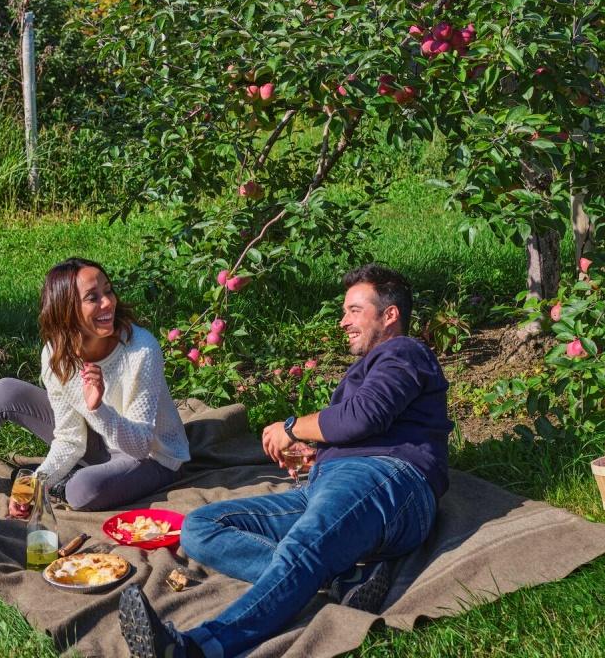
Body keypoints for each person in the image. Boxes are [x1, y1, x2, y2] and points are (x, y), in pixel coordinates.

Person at [119, 264, 451, 658]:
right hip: (336, 484)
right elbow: (364, 422)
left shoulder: (404, 352)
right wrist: (321, 453)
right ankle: (345, 576)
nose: (343, 322)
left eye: (354, 310)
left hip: (387, 480)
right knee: (201, 527)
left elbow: (363, 416)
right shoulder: (377, 366)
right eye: (344, 312)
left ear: (391, 314)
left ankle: (198, 648)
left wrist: (293, 428)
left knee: (303, 548)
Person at [0, 257, 191, 514]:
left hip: (153, 456)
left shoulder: (141, 350)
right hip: (97, 443)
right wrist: (37, 483)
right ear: (67, 309)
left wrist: (98, 408)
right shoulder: (57, 355)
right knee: (7, 390)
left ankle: (70, 481)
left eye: (108, 291)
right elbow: (69, 438)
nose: (108, 303)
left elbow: (140, 446)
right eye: (93, 297)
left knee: (82, 491)